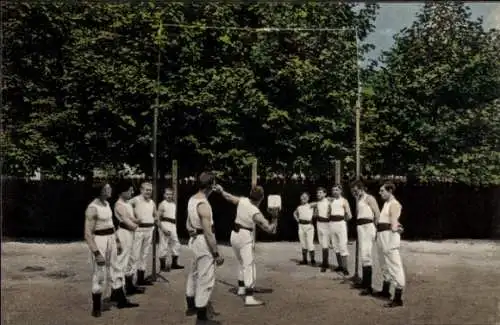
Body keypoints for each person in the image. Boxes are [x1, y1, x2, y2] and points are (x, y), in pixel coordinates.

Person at [83, 183, 138, 318]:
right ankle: (96, 307)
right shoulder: (92, 208)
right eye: (107, 188)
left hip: (111, 239)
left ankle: (121, 300)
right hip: (99, 240)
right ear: (100, 190)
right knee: (100, 273)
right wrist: (96, 253)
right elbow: (88, 234)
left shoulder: (107, 204)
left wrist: (117, 242)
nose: (110, 190)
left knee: (117, 268)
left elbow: (111, 225)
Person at [219, 185, 279, 306]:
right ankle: (249, 297)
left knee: (241, 262)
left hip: (234, 235)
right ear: (261, 198)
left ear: (250, 193)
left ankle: (241, 288)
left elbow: (228, 197)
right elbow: (271, 230)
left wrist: (221, 190)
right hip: (244, 236)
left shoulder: (243, 200)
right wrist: (275, 216)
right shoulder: (255, 212)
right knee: (249, 265)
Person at [184, 172, 224, 325]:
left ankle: (190, 303)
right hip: (203, 241)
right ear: (211, 185)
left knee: (194, 272)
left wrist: (189, 228)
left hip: (194, 240)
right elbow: (208, 232)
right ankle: (201, 316)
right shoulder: (204, 205)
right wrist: (216, 252)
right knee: (206, 277)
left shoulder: (192, 199)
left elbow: (188, 221)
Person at [375, 182, 405, 307]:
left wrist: (397, 228)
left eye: (382, 191)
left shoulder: (394, 204)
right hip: (382, 235)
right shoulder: (386, 204)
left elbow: (394, 221)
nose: (380, 193)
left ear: (390, 191)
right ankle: (385, 291)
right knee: (383, 264)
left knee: (394, 265)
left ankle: (398, 298)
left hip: (389, 237)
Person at [113, 181, 146, 296]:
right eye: (130, 190)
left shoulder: (127, 203)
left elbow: (132, 218)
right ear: (122, 192)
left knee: (131, 259)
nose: (132, 192)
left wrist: (139, 220)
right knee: (122, 261)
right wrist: (137, 225)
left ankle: (129, 286)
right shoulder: (119, 205)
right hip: (124, 233)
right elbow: (128, 222)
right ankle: (117, 291)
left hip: (131, 233)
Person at [350, 180, 380, 295]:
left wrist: (378, 230)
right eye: (353, 191)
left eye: (356, 190)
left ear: (361, 188)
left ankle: (369, 286)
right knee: (363, 254)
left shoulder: (369, 198)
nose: (355, 192)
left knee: (367, 255)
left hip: (368, 227)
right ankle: (364, 282)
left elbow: (377, 214)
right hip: (361, 227)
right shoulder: (358, 199)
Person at [127, 182, 156, 287]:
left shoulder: (152, 202)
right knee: (134, 255)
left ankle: (140, 279)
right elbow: (124, 209)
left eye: (150, 190)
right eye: (146, 189)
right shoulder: (135, 200)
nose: (148, 192)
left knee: (144, 255)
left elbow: (155, 214)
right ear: (141, 190)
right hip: (138, 230)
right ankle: (129, 282)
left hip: (149, 229)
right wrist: (132, 219)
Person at [157, 187, 184, 271]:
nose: (169, 196)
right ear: (164, 195)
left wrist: (173, 227)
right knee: (163, 244)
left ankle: (174, 263)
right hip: (165, 224)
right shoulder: (162, 204)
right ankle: (162, 266)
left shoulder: (173, 204)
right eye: (167, 194)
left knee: (176, 243)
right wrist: (163, 228)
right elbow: (157, 218)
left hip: (172, 224)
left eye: (171, 194)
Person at [328, 184, 352, 276]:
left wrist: (342, 220)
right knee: (335, 246)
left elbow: (349, 215)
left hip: (341, 224)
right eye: (333, 190)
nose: (335, 191)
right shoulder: (331, 201)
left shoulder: (344, 201)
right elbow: (328, 213)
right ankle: (340, 266)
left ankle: (345, 268)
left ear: (341, 191)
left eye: (337, 190)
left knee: (342, 245)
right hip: (332, 224)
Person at [309, 187, 331, 272]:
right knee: (322, 243)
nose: (318, 194)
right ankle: (326, 262)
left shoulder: (328, 201)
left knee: (325, 244)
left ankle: (325, 264)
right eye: (318, 193)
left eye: (321, 193)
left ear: (325, 194)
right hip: (319, 223)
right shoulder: (317, 203)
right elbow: (310, 205)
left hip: (326, 224)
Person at [293, 192, 316, 265]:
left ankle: (312, 260)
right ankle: (304, 260)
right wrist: (297, 220)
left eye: (306, 197)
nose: (304, 198)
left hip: (309, 226)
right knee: (303, 243)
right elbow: (294, 213)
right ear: (300, 197)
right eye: (302, 196)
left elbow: (319, 203)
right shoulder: (299, 207)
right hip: (301, 226)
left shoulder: (310, 205)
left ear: (308, 198)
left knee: (310, 243)